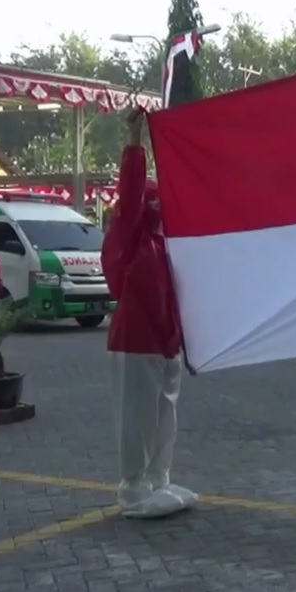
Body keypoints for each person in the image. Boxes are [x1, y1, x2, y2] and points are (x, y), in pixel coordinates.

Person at [102, 110, 197, 519]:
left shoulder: (168, 246)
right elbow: (132, 188)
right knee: (137, 414)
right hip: (136, 340)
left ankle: (158, 476)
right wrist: (135, 137)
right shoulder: (132, 237)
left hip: (165, 341)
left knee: (164, 412)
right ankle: (133, 485)